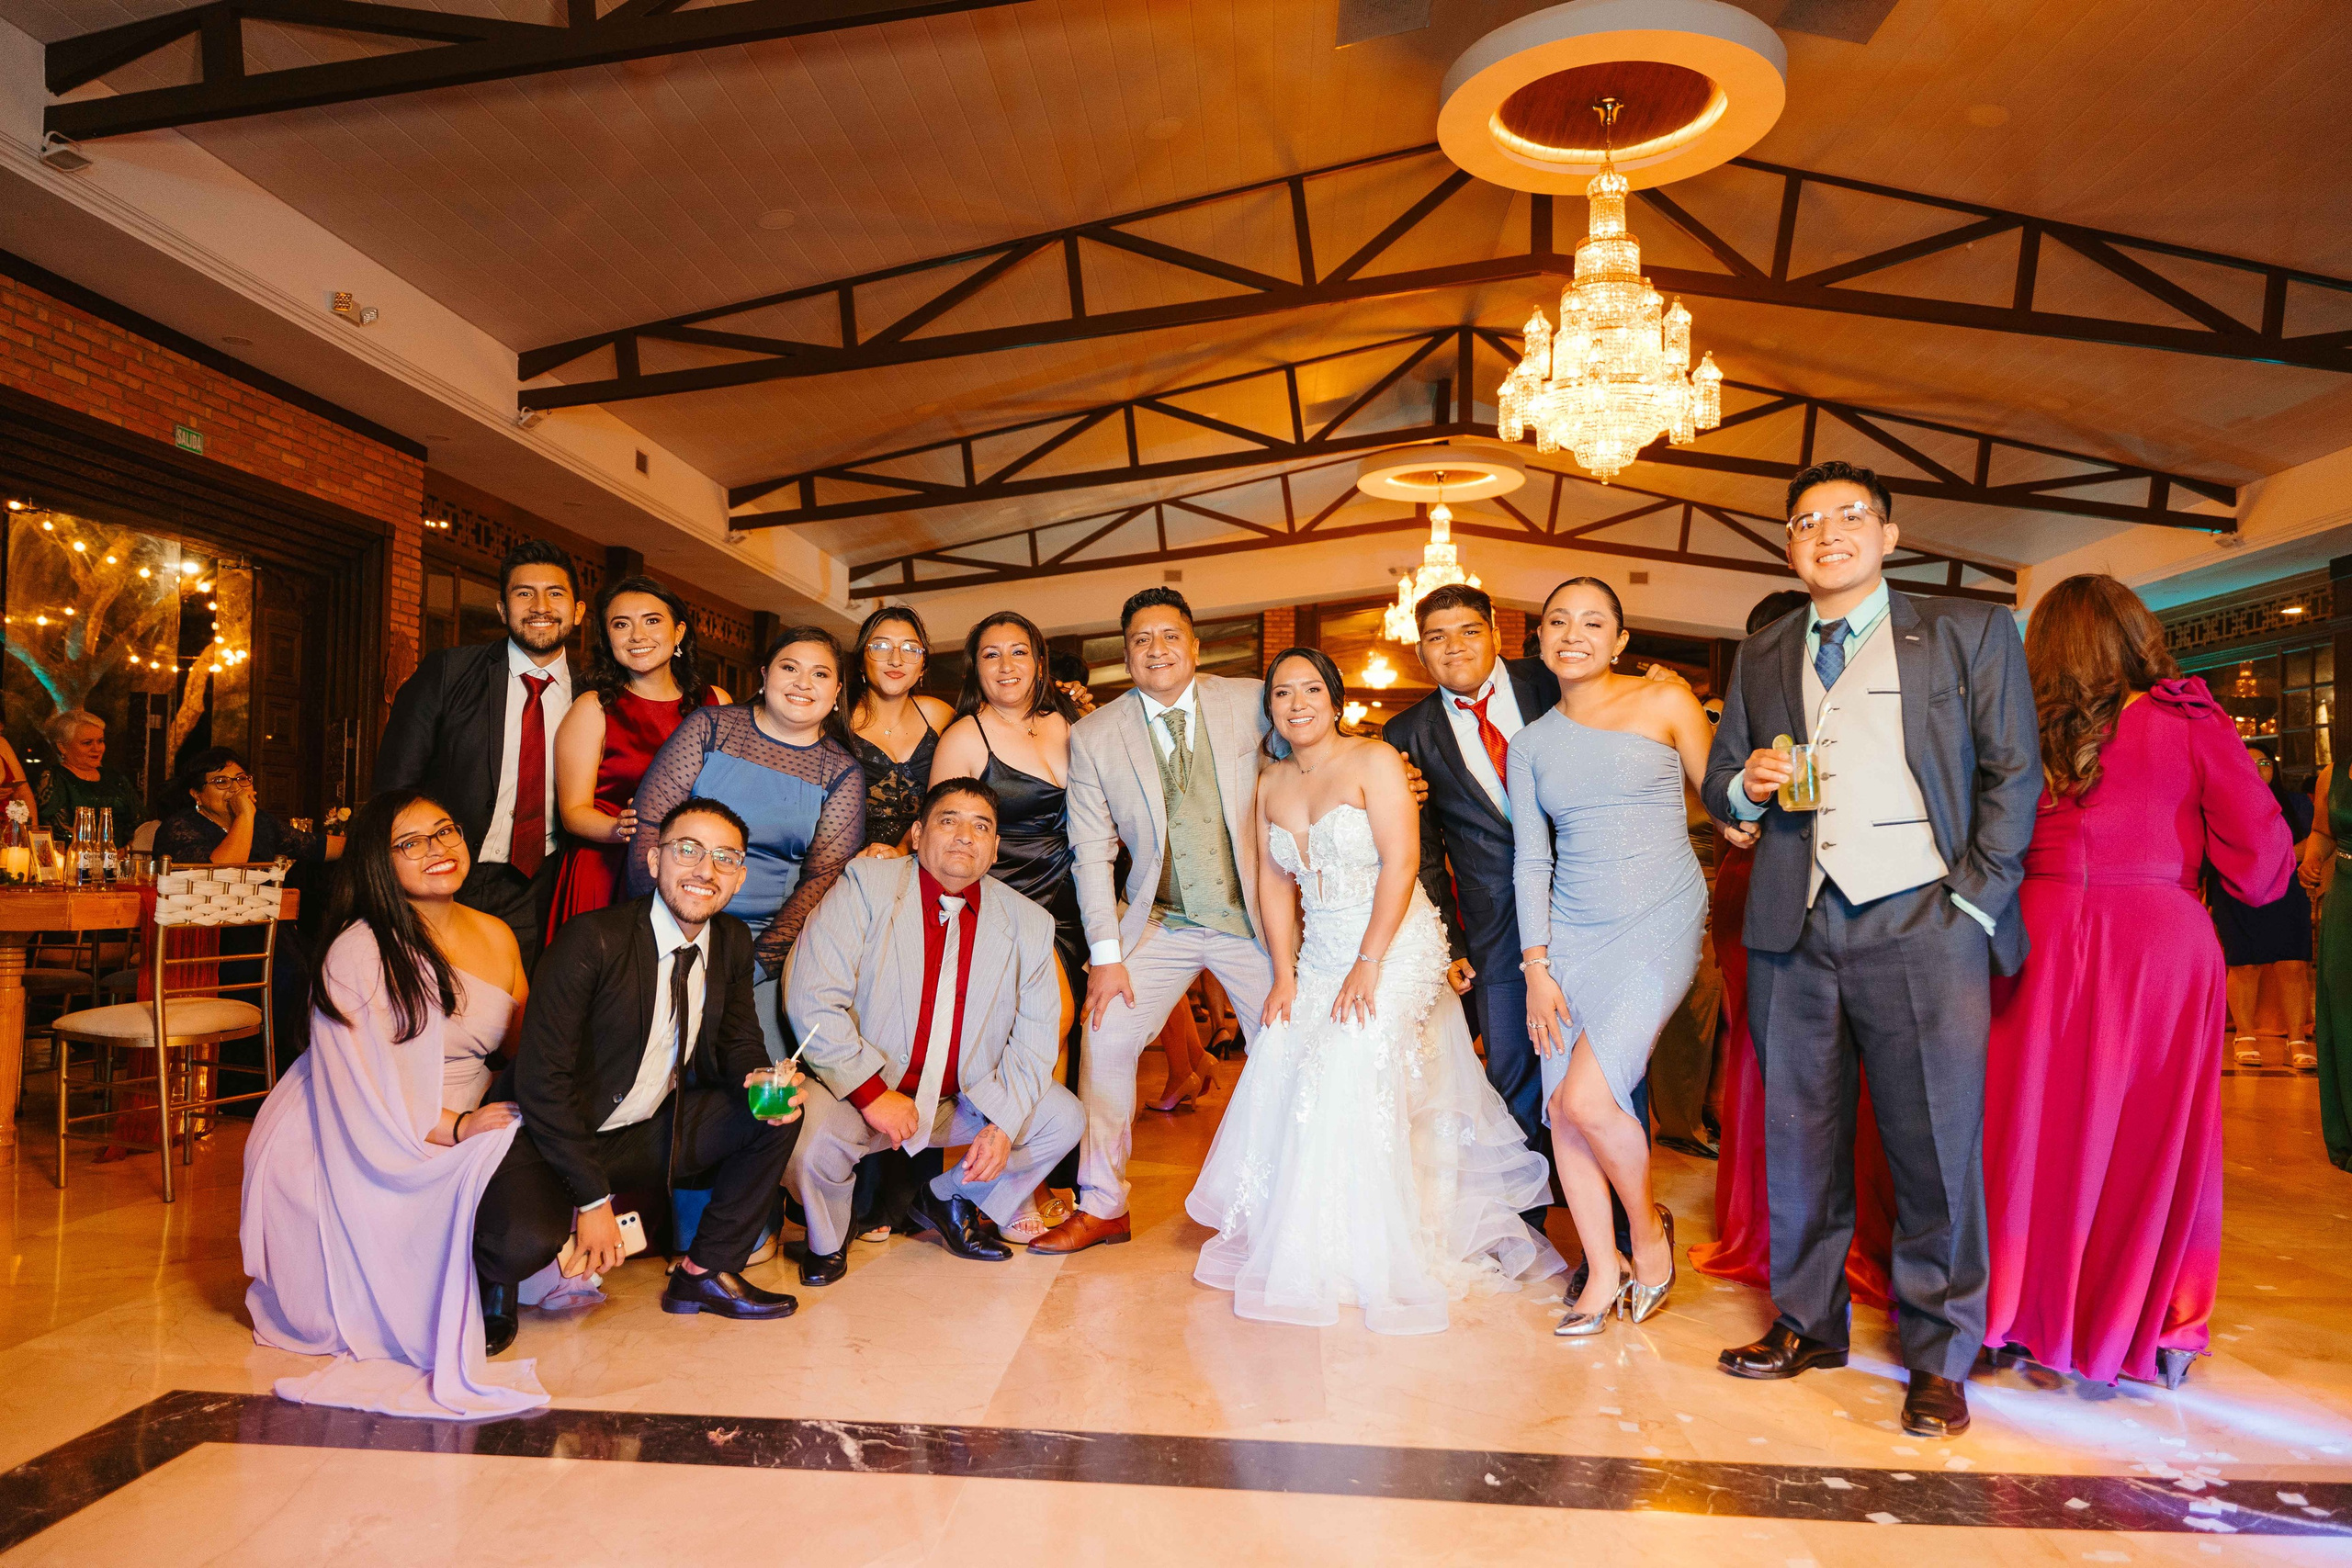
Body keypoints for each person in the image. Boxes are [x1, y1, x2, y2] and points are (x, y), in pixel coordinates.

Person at [1702, 459, 2041, 1441]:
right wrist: (1747, 787)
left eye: (1849, 516)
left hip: (1924, 921)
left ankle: (1940, 1357)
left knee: (1934, 1146)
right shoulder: (1764, 650)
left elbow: (2011, 773)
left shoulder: (1967, 629)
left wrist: (1971, 904)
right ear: (1789, 546)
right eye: (1806, 521)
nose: (1828, 532)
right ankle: (1808, 1324)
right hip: (1794, 924)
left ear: (1889, 535)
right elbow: (1724, 778)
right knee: (1798, 1137)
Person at [1188, 649, 1560, 1331]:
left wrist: (1369, 960)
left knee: (1349, 1062)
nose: (1296, 703)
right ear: (1269, 708)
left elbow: (1404, 860)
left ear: (1334, 701)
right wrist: (1284, 972)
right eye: (1281, 694)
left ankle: (1371, 1242)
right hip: (1321, 951)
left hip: (1395, 942)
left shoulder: (1375, 761)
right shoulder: (1269, 782)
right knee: (1282, 1053)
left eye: (1310, 690)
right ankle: (1315, 1233)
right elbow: (1274, 882)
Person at [1984, 575, 2292, 1388]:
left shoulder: (2014, 729)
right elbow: (2262, 871)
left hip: (2034, 938)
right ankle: (2139, 1323)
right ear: (2136, 635)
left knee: (2027, 1133)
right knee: (2148, 1141)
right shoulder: (2189, 720)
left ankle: (2008, 1311)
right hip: (2158, 947)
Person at [240, 789, 544, 1418]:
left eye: (446, 830)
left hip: (463, 1101)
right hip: (348, 1122)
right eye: (412, 842)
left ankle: (489, 1260)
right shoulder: (361, 948)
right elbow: (364, 1090)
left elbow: (521, 1044)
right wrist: (458, 1126)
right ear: (381, 862)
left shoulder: (495, 931)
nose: (439, 849)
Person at [473, 797, 806, 1354]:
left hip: (643, 1129)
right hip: (548, 1136)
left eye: (725, 857)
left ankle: (703, 1273)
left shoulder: (729, 940)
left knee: (775, 1112)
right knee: (519, 1244)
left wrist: (758, 1076)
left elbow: (738, 1039)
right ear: (653, 861)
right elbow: (540, 1083)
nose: (706, 870)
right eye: (688, 850)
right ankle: (491, 1285)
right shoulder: (591, 940)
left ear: (740, 876)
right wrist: (593, 1201)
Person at [1512, 579, 1739, 1337]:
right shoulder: (1531, 742)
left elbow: (1726, 808)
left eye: (1593, 622)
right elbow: (1529, 862)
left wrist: (1766, 795)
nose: (1573, 633)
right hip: (1569, 932)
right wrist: (1535, 965)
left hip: (1658, 918)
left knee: (1586, 1098)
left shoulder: (1664, 702)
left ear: (1620, 641)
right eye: (1557, 620)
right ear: (1540, 639)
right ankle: (1602, 1270)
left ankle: (1646, 1238)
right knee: (1562, 1111)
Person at [1028, 588, 1280, 1255]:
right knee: (1105, 1036)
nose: (1156, 649)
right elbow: (1091, 851)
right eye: (1141, 639)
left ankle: (1283, 1206)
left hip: (1254, 920)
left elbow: (1317, 763)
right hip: (1157, 920)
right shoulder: (1094, 735)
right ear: (1126, 654)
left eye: (1170, 636)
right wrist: (1106, 954)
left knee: (1285, 1052)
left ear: (1195, 645)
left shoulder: (1254, 701)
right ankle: (1105, 1202)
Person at [1690, 590, 1903, 1311]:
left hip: (1857, 890)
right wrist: (1739, 807)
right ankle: (1772, 1230)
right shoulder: (1742, 707)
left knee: (1828, 1060)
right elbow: (1719, 793)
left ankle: (1816, 1225)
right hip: (1764, 885)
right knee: (1768, 1051)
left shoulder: (1876, 694)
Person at [784, 778, 1083, 1281]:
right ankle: (828, 1239)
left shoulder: (1029, 922)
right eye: (950, 821)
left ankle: (950, 1198)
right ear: (918, 834)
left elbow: (1034, 1039)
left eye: (981, 827)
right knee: (806, 1138)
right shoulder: (865, 885)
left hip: (961, 1097)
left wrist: (1005, 1122)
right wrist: (872, 1092)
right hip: (867, 1089)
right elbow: (811, 995)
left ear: (993, 851)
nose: (965, 835)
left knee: (1063, 1119)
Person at [1381, 582, 1567, 1221]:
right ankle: (1526, 1220)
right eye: (1435, 637)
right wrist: (1452, 946)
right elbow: (1424, 850)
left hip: (1585, 902)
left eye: (1467, 630)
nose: (1453, 646)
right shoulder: (1407, 731)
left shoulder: (1551, 684)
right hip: (1494, 925)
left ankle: (1617, 1220)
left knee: (1600, 1062)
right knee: (1511, 1063)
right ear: (1419, 651)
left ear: (1494, 631)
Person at [628, 626, 865, 1060]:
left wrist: (752, 966)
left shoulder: (841, 773)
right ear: (764, 675)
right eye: (789, 668)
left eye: (819, 675)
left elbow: (822, 881)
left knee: (746, 1084)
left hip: (761, 946)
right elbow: (650, 827)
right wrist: (655, 932)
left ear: (837, 692)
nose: (802, 683)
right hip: (664, 920)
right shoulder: (709, 727)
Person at [930, 609, 1088, 1198]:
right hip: (1007, 903)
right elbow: (945, 836)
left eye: (1018, 651)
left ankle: (1037, 1181)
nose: (1005, 665)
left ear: (1039, 661)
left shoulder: (1066, 720)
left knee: (1062, 1040)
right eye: (991, 653)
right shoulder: (966, 734)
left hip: (1070, 901)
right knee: (1045, 1027)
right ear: (975, 666)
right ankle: (982, 1182)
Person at [375, 540, 584, 966]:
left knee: (520, 1012)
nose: (540, 605)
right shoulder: (448, 672)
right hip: (445, 876)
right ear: (502, 609)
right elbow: (393, 790)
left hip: (544, 883)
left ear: (578, 611)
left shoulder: (596, 695)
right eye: (524, 593)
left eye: (555, 593)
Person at [548, 575, 726, 940]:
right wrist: (620, 829)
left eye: (652, 620)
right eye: (621, 624)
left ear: (678, 632)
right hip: (606, 869)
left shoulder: (716, 703)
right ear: (607, 637)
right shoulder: (594, 707)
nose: (637, 635)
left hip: (691, 871)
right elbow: (573, 813)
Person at [2212, 744, 2314, 1069]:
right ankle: (2245, 1035)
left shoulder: (2296, 803)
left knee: (2294, 964)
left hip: (2287, 888)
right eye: (2250, 762)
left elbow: (2316, 839)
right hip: (2236, 888)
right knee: (2244, 964)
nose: (2259, 768)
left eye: (2265, 762)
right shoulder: (2218, 804)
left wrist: (2270, 860)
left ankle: (2297, 1039)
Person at [842, 605, 957, 858]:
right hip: (850, 865)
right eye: (881, 647)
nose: (896, 660)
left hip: (924, 862)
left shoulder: (938, 715)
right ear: (861, 660)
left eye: (910, 649)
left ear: (923, 667)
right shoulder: (836, 718)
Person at [156, 746, 341, 867]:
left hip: (263, 922)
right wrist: (244, 816)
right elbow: (222, 877)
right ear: (197, 794)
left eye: (242, 779)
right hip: (206, 924)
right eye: (221, 781)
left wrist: (365, 841)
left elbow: (315, 846)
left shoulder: (262, 822)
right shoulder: (179, 828)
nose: (236, 788)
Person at [32, 709, 145, 835]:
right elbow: (56, 829)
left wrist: (127, 846)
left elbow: (140, 822)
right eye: (87, 743)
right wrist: (96, 849)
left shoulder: (115, 778)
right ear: (62, 747)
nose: (97, 748)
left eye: (100, 741)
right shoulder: (54, 778)